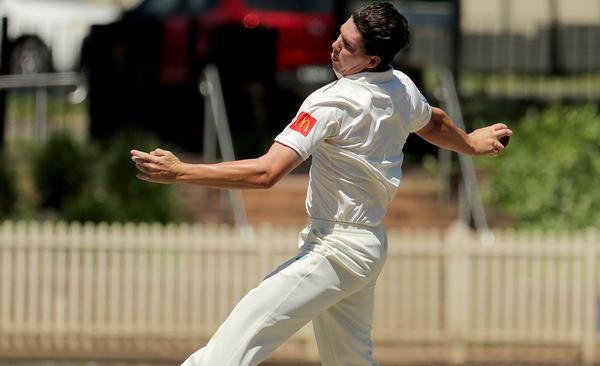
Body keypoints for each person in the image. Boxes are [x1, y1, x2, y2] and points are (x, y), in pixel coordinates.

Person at [131, 3, 512, 365]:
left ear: (371, 61)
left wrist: (182, 172)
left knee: (229, 349)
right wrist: (473, 144)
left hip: (336, 250)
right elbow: (434, 121)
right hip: (366, 247)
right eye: (339, 34)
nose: (334, 46)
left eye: (347, 45)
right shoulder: (400, 86)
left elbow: (266, 174)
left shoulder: (331, 101)